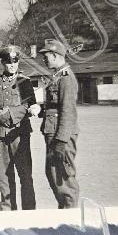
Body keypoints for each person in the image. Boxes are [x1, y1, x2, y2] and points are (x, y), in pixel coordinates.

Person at [0, 45, 41, 210]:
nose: (12, 65)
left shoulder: (24, 81)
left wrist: (9, 115)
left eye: (15, 61)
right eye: (9, 62)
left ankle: (29, 212)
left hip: (19, 133)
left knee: (25, 174)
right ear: (3, 63)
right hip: (0, 134)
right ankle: (8, 211)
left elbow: (30, 105)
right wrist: (0, 117)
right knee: (4, 175)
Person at [38, 38, 80, 209]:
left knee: (63, 176)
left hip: (60, 135)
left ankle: (70, 215)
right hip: (53, 133)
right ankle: (65, 210)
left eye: (46, 56)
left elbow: (68, 111)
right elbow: (54, 107)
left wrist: (61, 141)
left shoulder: (66, 79)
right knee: (54, 173)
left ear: (55, 55)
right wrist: (40, 110)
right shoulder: (57, 77)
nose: (44, 59)